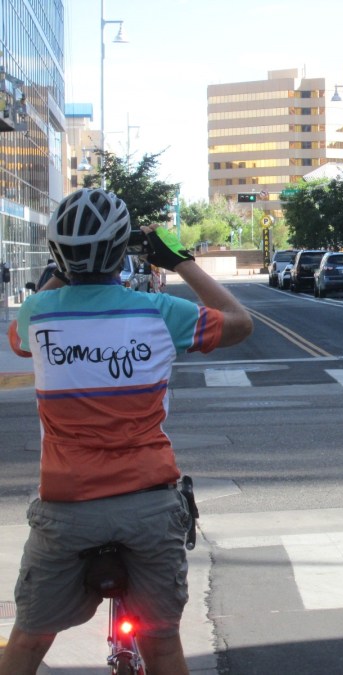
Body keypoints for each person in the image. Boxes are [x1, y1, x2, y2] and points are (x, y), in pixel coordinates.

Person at [0, 188, 253, 675]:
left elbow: (25, 331)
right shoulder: (159, 312)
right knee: (161, 646)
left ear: (57, 252)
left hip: (67, 507)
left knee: (28, 642)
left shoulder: (38, 315)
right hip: (147, 504)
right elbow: (241, 323)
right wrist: (180, 260)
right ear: (123, 250)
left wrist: (60, 271)